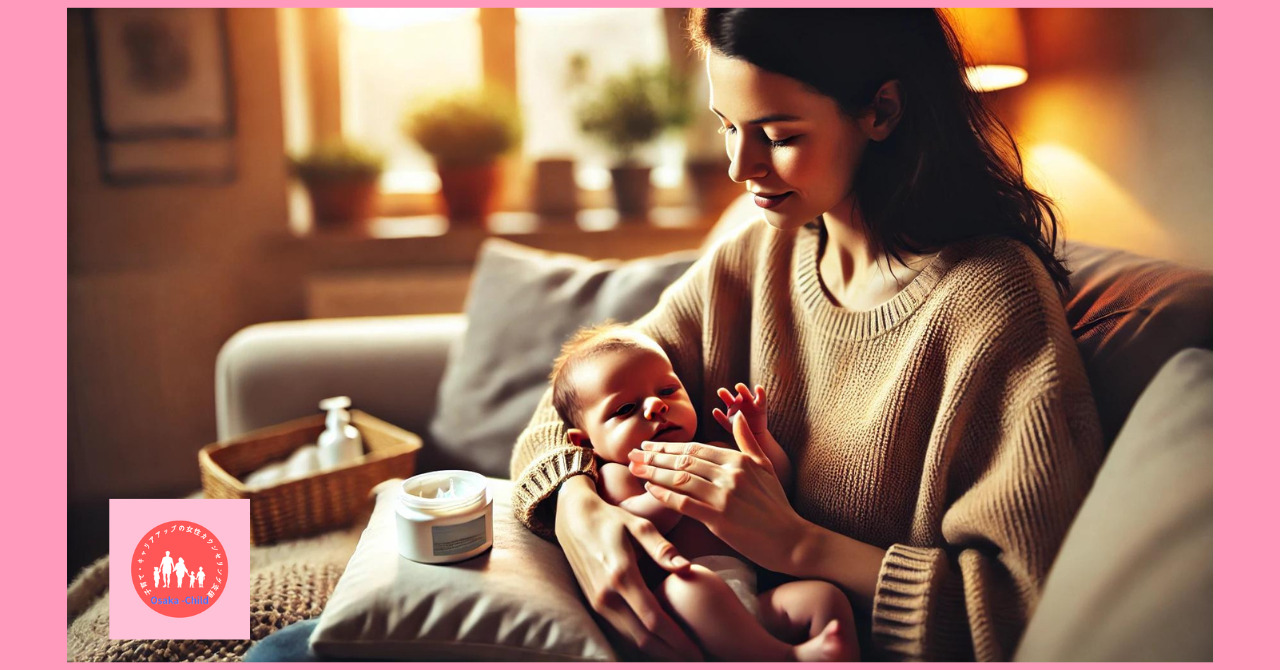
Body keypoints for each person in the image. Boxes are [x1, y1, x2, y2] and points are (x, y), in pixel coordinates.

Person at [510, 8, 1104, 662]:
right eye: (728, 126)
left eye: (777, 134)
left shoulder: (992, 303)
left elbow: (1028, 608)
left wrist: (797, 544)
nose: (740, 167)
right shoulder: (755, 256)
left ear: (881, 111)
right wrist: (575, 507)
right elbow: (570, 401)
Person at [549, 323, 857, 661]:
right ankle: (784, 658)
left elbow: (775, 484)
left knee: (825, 599)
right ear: (585, 441)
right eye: (625, 409)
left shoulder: (713, 449)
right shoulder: (617, 474)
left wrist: (756, 438)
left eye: (668, 390)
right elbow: (630, 529)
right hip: (680, 604)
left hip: (753, 597)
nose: (656, 406)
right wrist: (678, 487)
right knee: (692, 587)